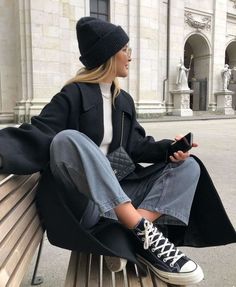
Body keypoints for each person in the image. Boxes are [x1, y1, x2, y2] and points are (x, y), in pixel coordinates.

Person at [0, 17, 235, 286]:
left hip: (120, 194)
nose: (130, 57)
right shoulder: (72, 95)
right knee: (68, 140)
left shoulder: (122, 100)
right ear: (108, 55)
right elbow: (39, 133)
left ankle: (137, 234)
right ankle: (141, 230)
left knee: (189, 165)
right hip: (84, 201)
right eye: (125, 50)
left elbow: (136, 145)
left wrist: (171, 149)